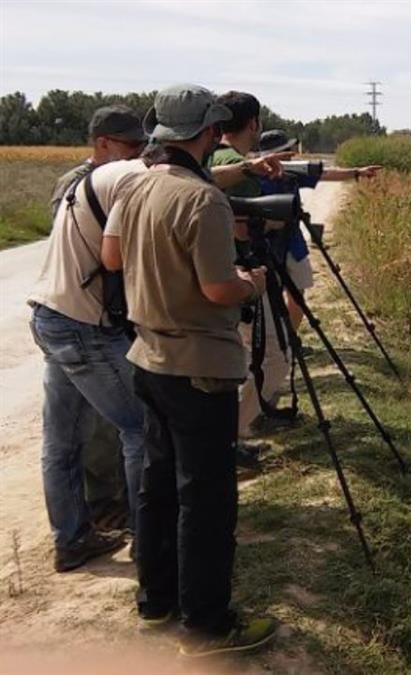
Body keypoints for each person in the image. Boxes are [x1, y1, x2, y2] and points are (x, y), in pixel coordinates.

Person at [100, 83, 277, 657]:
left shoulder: (137, 185)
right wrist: (249, 284)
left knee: (158, 488)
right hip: (199, 366)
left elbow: (112, 256)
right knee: (206, 499)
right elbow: (218, 288)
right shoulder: (203, 202)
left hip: (147, 358)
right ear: (205, 133)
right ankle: (206, 626)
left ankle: (156, 605)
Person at [27, 109, 149, 572]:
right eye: (130, 144)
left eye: (142, 145)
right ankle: (147, 537)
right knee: (140, 426)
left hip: (54, 315)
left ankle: (73, 539)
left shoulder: (96, 180)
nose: (138, 153)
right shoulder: (101, 182)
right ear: (103, 143)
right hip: (82, 324)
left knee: (61, 442)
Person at [206, 93, 295, 456]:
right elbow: (242, 229)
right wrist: (279, 220)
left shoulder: (210, 159)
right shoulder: (240, 166)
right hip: (240, 273)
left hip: (210, 273)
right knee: (273, 357)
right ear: (254, 124)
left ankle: (226, 439)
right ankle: (231, 437)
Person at [255, 129, 380, 328]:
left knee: (296, 296)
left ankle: (290, 341)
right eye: (288, 150)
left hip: (291, 244)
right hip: (268, 246)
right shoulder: (254, 177)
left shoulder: (287, 173)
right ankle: (282, 344)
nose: (293, 153)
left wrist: (356, 172)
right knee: (272, 300)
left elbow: (324, 174)